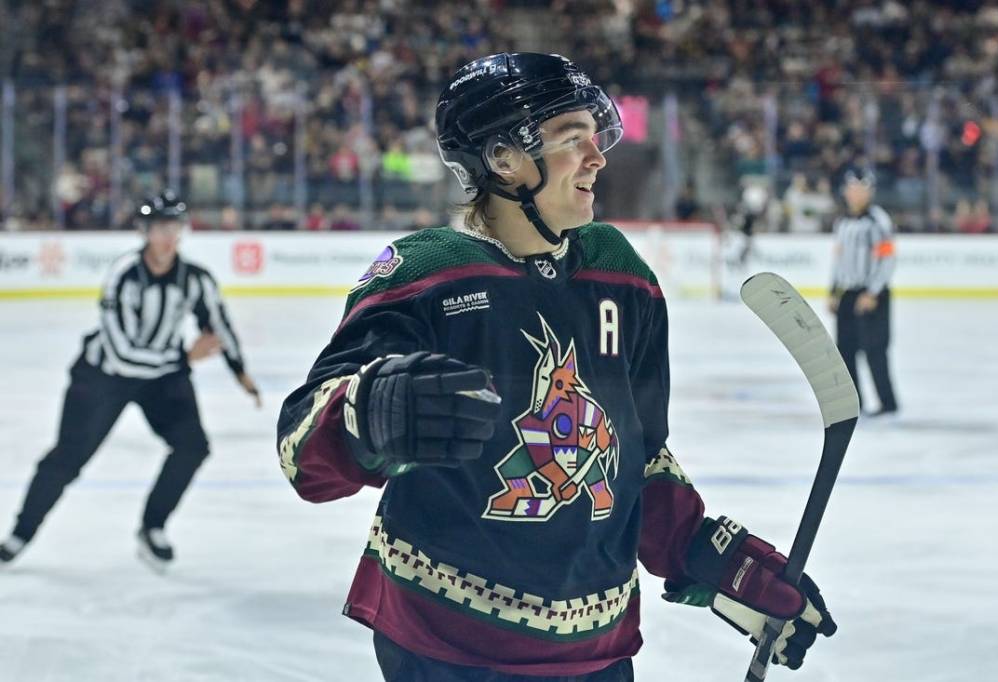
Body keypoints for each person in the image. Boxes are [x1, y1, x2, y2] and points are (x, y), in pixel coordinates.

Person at [277, 53, 836, 681]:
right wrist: (365, 413)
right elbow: (303, 454)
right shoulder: (423, 272)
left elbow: (635, 456)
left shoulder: (622, 274)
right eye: (573, 140)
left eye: (596, 139)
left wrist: (702, 553)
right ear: (503, 160)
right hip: (447, 649)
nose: (598, 157)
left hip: (597, 653)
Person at [0, 190, 261, 571]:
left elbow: (217, 322)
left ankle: (152, 527)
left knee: (192, 446)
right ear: (143, 231)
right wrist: (184, 357)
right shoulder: (123, 276)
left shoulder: (195, 278)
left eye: (173, 225)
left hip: (162, 379)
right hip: (103, 377)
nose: (167, 235)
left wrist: (240, 372)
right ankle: (21, 533)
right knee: (68, 458)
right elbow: (122, 353)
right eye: (158, 227)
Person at [828, 168, 899, 416]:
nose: (855, 194)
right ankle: (853, 405)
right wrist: (833, 291)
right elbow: (838, 260)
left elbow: (888, 259)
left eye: (861, 189)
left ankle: (888, 404)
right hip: (847, 294)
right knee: (845, 351)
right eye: (851, 189)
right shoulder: (843, 222)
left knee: (875, 351)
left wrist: (872, 292)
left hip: (872, 295)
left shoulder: (878, 221)